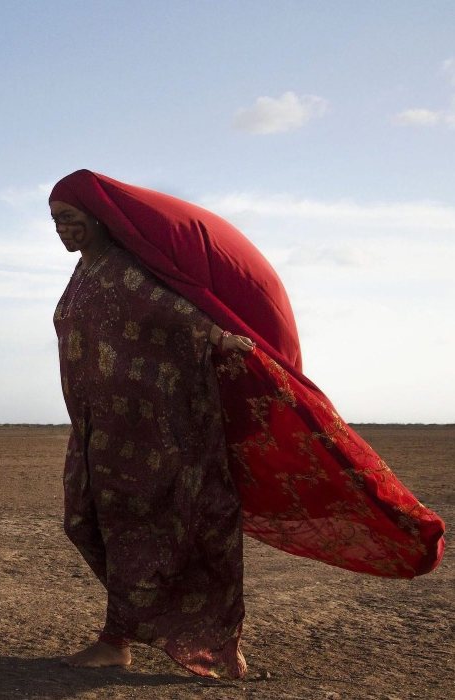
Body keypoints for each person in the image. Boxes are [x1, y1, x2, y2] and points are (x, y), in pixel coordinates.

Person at [48, 169, 445, 680]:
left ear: (99, 218)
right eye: (55, 222)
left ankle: (125, 639)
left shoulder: (124, 270)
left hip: (152, 433)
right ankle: (131, 627)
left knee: (145, 532)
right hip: (98, 432)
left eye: (69, 219)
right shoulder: (84, 274)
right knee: (86, 521)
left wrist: (219, 337)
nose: (61, 230)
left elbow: (174, 313)